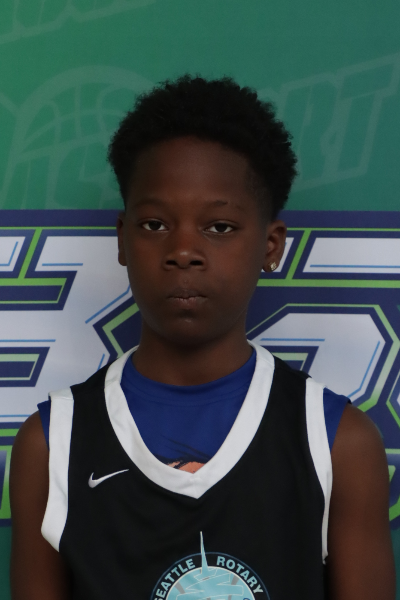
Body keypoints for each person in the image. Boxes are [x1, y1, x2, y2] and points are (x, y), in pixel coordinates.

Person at [10, 75, 395, 600]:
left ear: (271, 245)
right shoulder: (53, 442)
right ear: (122, 239)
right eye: (154, 225)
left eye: (219, 227)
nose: (183, 251)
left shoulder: (338, 442)